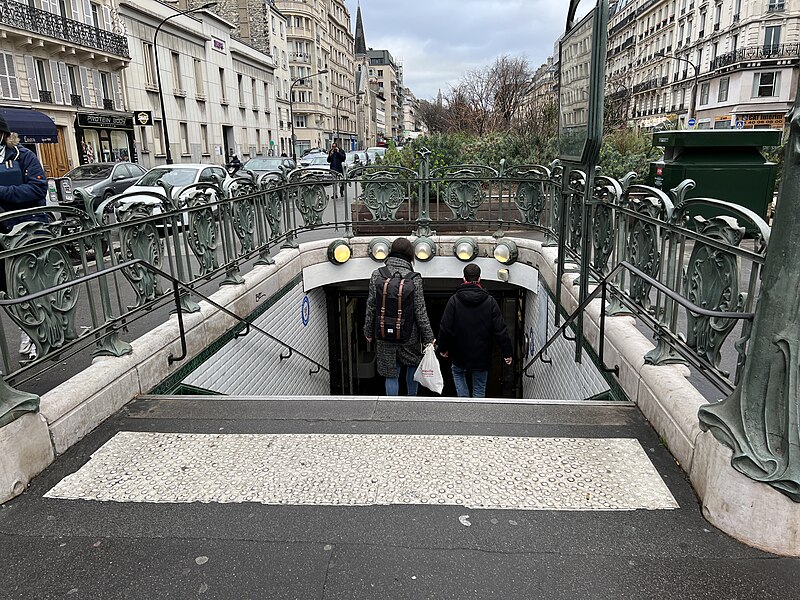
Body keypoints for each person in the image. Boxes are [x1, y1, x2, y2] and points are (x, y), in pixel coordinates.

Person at [0, 113, 49, 361]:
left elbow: (39, 188)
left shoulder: (23, 155)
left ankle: (33, 337)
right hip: (2, 237)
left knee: (29, 287)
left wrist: (2, 192)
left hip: (26, 233)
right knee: (9, 291)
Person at [364, 237, 435, 396]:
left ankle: (392, 405)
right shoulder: (413, 277)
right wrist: (429, 338)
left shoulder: (377, 275)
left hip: (384, 334)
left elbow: (371, 306)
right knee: (412, 366)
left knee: (391, 373)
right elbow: (420, 310)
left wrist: (368, 331)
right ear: (410, 254)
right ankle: (411, 400)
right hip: (409, 334)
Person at [438, 264, 513, 398]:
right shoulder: (490, 302)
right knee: (479, 387)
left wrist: (443, 348)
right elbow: (500, 330)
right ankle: (476, 412)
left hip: (459, 352)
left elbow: (445, 328)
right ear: (479, 279)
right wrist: (507, 353)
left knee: (458, 373)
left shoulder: (454, 301)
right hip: (482, 353)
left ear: (463, 278)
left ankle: (463, 403)